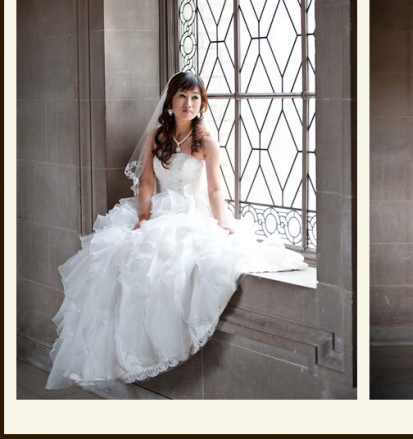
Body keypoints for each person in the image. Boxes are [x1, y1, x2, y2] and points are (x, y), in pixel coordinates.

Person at [46, 72, 307, 390]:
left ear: (202, 103)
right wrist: (143, 217)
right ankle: (120, 349)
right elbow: (145, 181)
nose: (189, 103)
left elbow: (213, 189)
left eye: (196, 97)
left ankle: (164, 340)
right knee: (119, 254)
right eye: (183, 96)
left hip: (191, 212)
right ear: (170, 101)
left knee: (172, 263)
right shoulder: (157, 134)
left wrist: (222, 223)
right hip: (159, 209)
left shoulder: (206, 141)